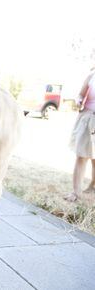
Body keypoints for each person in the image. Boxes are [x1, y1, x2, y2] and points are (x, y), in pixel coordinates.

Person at [66, 67, 95, 202]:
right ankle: (76, 192)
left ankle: (91, 187)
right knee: (81, 156)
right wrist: (78, 101)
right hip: (87, 118)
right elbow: (80, 95)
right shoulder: (91, 75)